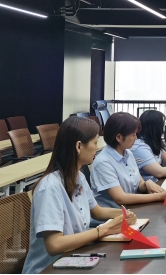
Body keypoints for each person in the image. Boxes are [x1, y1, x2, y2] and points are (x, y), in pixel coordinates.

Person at [22, 117, 137, 274]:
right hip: (49, 269)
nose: (97, 147)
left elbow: (97, 211)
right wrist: (103, 230)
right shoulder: (50, 187)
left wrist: (124, 214)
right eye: (95, 143)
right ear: (79, 146)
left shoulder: (79, 177)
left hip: (74, 260)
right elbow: (54, 245)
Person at [91, 112, 166, 208]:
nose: (136, 138)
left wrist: (146, 184)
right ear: (119, 137)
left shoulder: (128, 153)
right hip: (116, 214)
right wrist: (158, 197)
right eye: (133, 135)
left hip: (133, 208)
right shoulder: (103, 162)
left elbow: (139, 183)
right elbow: (121, 198)